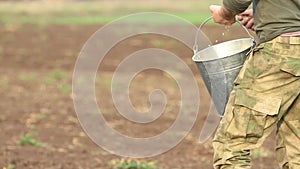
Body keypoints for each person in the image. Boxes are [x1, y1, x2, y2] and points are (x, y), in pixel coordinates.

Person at [209, 0, 300, 168]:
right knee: (295, 148)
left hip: (281, 54)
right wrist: (267, 13)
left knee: (232, 145)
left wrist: (225, 12)